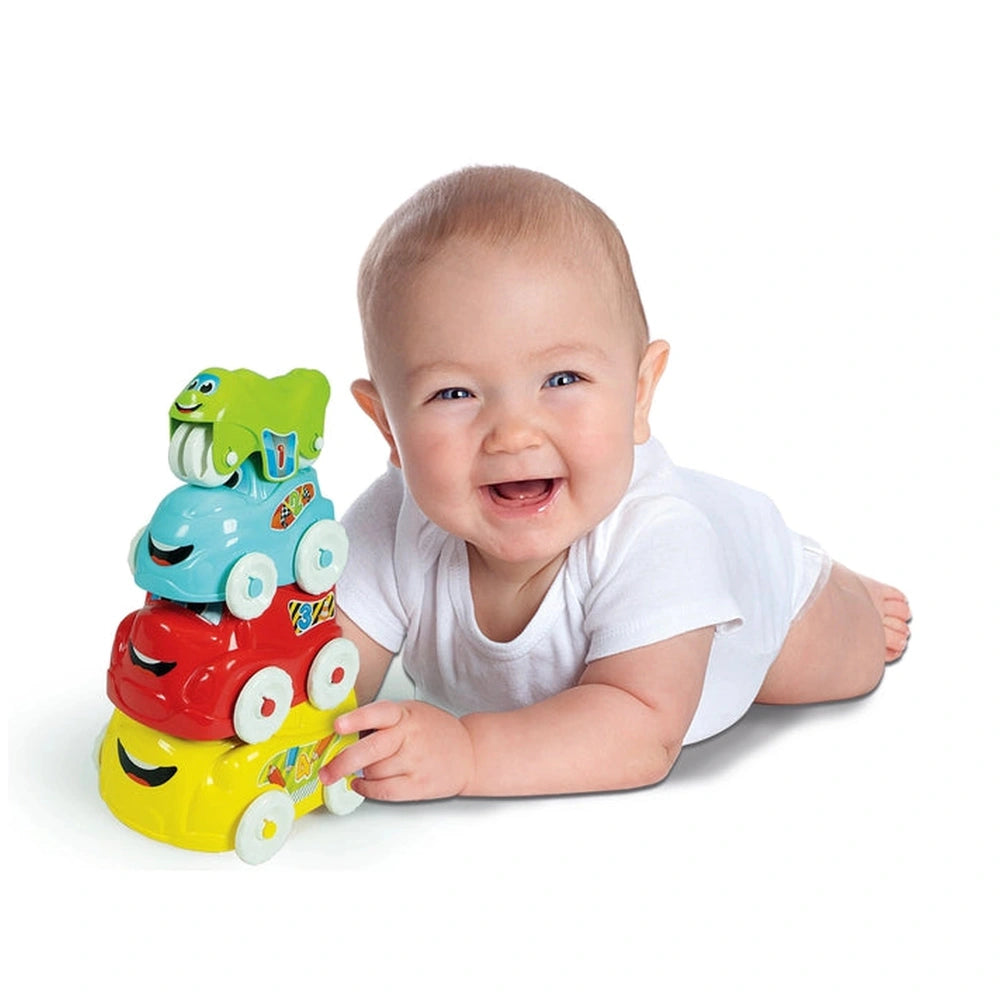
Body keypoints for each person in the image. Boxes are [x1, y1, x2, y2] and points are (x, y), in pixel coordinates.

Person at [318, 165, 911, 802]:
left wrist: (467, 754)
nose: (513, 434)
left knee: (842, 660)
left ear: (639, 393)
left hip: (763, 591)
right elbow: (326, 666)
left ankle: (840, 586)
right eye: (454, 393)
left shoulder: (660, 539)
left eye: (562, 380)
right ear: (387, 425)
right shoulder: (394, 522)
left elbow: (640, 731)